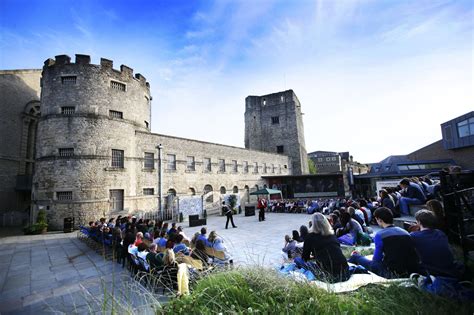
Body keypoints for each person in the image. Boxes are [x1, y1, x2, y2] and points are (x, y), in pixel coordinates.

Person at [349, 207, 420, 278]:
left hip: (391, 273)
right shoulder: (405, 232)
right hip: (410, 271)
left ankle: (352, 261)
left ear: (379, 220)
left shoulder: (380, 235)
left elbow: (376, 260)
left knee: (356, 256)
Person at [294, 213, 349, 283]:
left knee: (297, 260)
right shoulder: (332, 235)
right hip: (345, 272)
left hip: (329, 275)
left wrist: (314, 256)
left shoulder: (309, 237)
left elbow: (305, 258)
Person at [410, 210, 458, 277]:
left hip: (430, 270)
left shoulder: (413, 235)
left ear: (419, 222)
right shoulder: (440, 233)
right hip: (449, 267)